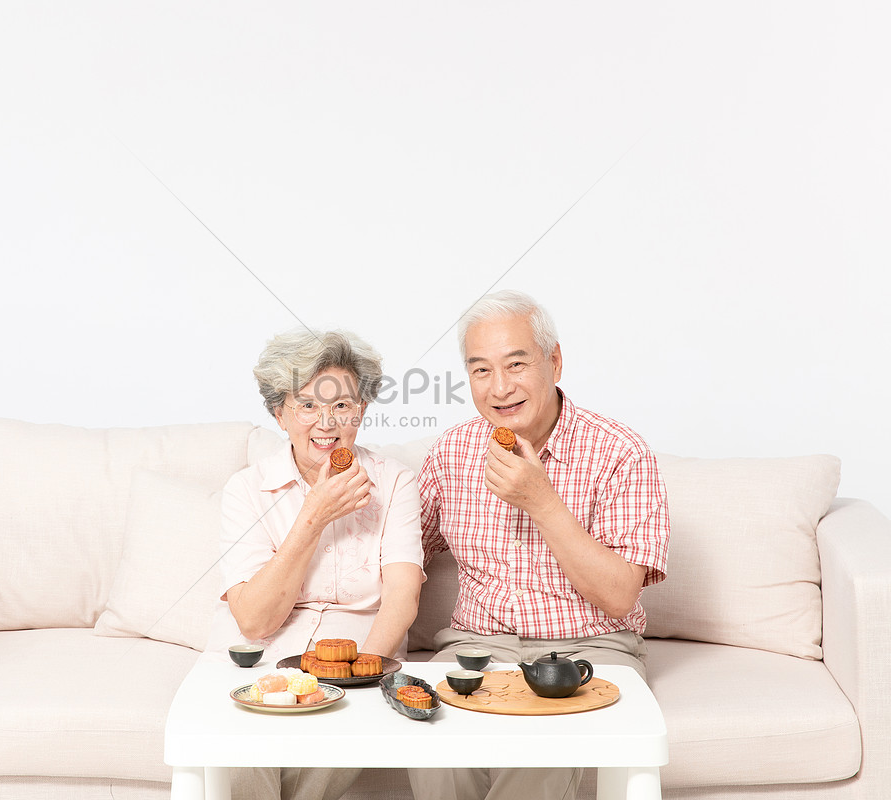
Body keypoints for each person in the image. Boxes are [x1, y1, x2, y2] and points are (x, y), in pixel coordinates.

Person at [410, 290, 670, 800]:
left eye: (516, 363)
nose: (499, 387)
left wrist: (541, 500)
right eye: (480, 370)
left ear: (553, 362)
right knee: (432, 742)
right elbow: (395, 554)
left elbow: (619, 596)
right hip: (474, 646)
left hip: (590, 647)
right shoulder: (452, 452)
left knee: (537, 755)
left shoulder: (621, 453)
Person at [205, 328, 424, 800]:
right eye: (307, 405)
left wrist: (364, 675)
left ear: (361, 411)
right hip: (261, 655)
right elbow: (255, 619)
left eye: (341, 405)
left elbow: (403, 599)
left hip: (361, 661)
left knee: (334, 748)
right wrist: (314, 515)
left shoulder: (396, 482)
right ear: (279, 415)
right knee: (243, 759)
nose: (326, 422)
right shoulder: (246, 490)